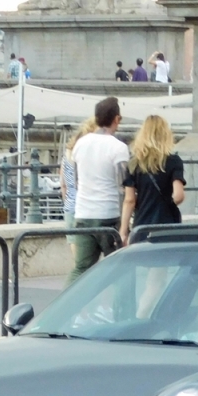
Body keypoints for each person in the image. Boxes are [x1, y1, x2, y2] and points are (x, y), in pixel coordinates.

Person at [67, 96, 129, 285]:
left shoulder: (80, 144)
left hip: (83, 214)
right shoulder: (118, 148)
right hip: (108, 215)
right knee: (120, 270)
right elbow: (123, 187)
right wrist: (124, 224)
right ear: (116, 119)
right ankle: (122, 311)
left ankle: (65, 309)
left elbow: (76, 181)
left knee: (81, 268)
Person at [61, 117, 98, 226]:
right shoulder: (90, 156)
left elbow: (63, 185)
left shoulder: (66, 157)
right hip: (90, 209)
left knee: (73, 242)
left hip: (70, 207)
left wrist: (68, 202)